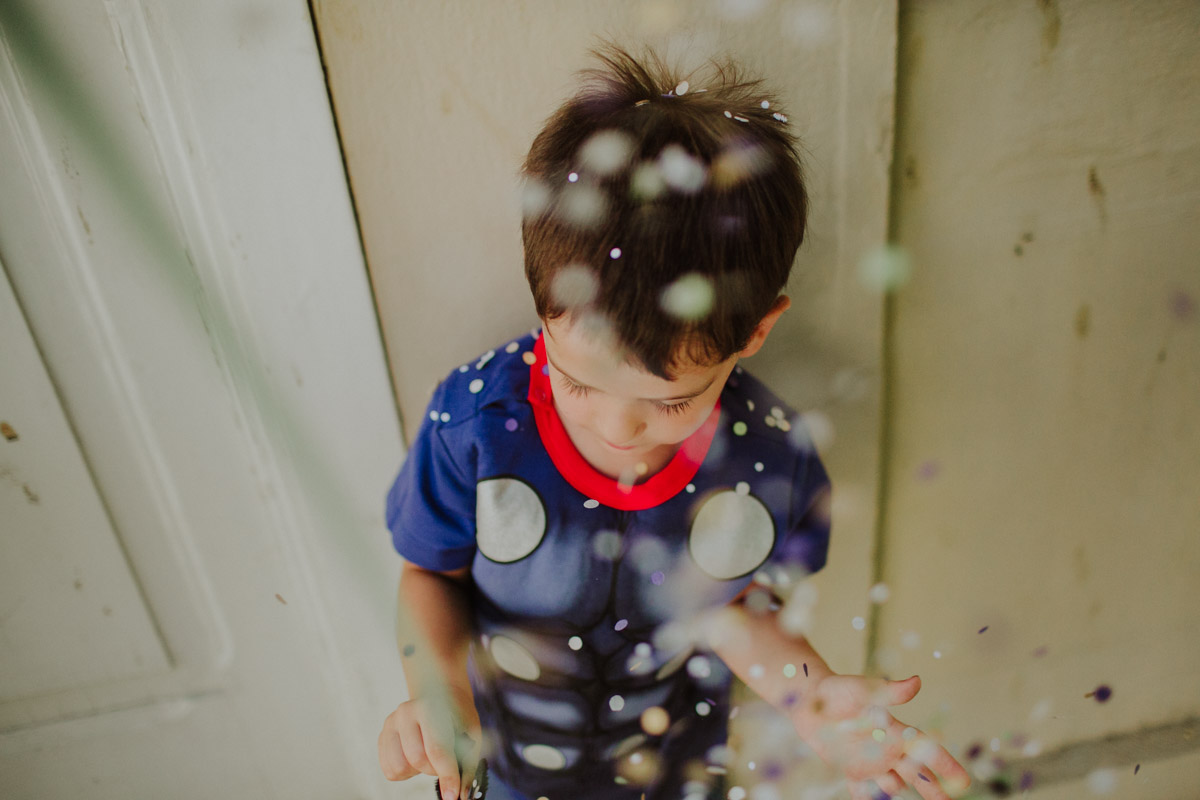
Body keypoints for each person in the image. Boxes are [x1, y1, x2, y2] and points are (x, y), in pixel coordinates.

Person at [378, 45, 970, 800]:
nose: (620, 427)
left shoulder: (765, 462)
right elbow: (428, 570)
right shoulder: (475, 426)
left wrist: (812, 696)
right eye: (576, 382)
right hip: (498, 767)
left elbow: (734, 610)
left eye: (669, 401)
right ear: (542, 307)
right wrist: (435, 693)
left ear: (755, 331)